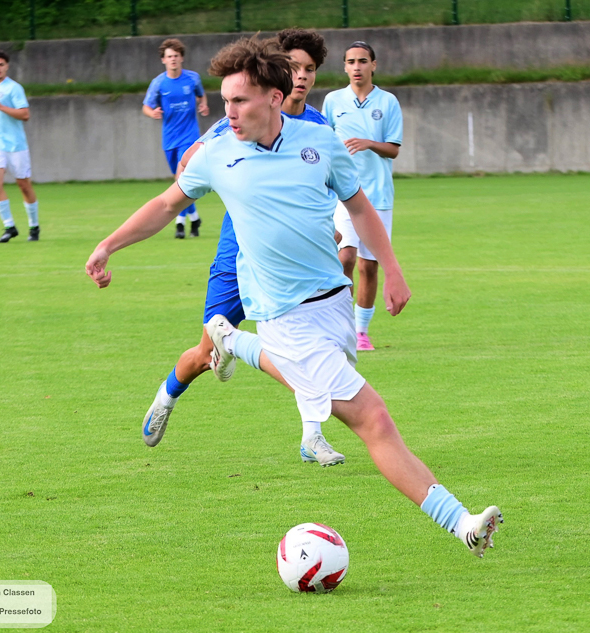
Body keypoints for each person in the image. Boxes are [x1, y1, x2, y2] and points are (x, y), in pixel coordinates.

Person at [85, 36, 502, 558]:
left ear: (274, 99)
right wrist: (108, 245)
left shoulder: (319, 142)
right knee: (373, 419)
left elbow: (359, 206)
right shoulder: (217, 153)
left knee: (329, 396)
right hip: (285, 315)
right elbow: (166, 205)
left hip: (335, 303)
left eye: (240, 101)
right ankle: (462, 523)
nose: (228, 112)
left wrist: (392, 269)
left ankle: (233, 342)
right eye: (224, 100)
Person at [137, 28, 346, 468]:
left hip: (294, 267)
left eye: (309, 69)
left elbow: (322, 190)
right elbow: (193, 163)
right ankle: (167, 396)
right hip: (238, 257)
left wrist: (324, 228)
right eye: (294, 67)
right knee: (204, 353)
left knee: (312, 353)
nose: (301, 76)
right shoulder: (239, 117)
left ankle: (312, 436)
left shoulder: (317, 128)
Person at [322, 41, 403, 351]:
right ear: (344, 67)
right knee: (345, 257)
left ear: (373, 65)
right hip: (343, 193)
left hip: (378, 194)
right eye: (351, 61)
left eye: (363, 61)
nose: (357, 67)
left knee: (369, 266)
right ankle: (340, 324)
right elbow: (322, 140)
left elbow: (393, 149)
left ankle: (361, 332)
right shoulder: (333, 101)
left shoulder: (388, 102)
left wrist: (369, 143)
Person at [143, 38, 210, 239]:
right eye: (169, 56)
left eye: (176, 56)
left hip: (189, 137)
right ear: (163, 60)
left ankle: (180, 223)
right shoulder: (158, 83)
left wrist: (203, 104)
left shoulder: (192, 78)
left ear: (182, 58)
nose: (173, 59)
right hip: (169, 139)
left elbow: (201, 95)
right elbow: (146, 107)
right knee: (179, 181)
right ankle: (195, 218)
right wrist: (152, 113)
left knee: (181, 179)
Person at [0, 50, 40, 243]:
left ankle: (34, 226)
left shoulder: (14, 88)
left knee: (24, 186)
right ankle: (9, 226)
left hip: (16, 145)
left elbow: (25, 115)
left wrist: (1, 107)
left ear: (7, 67)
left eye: (1, 65)